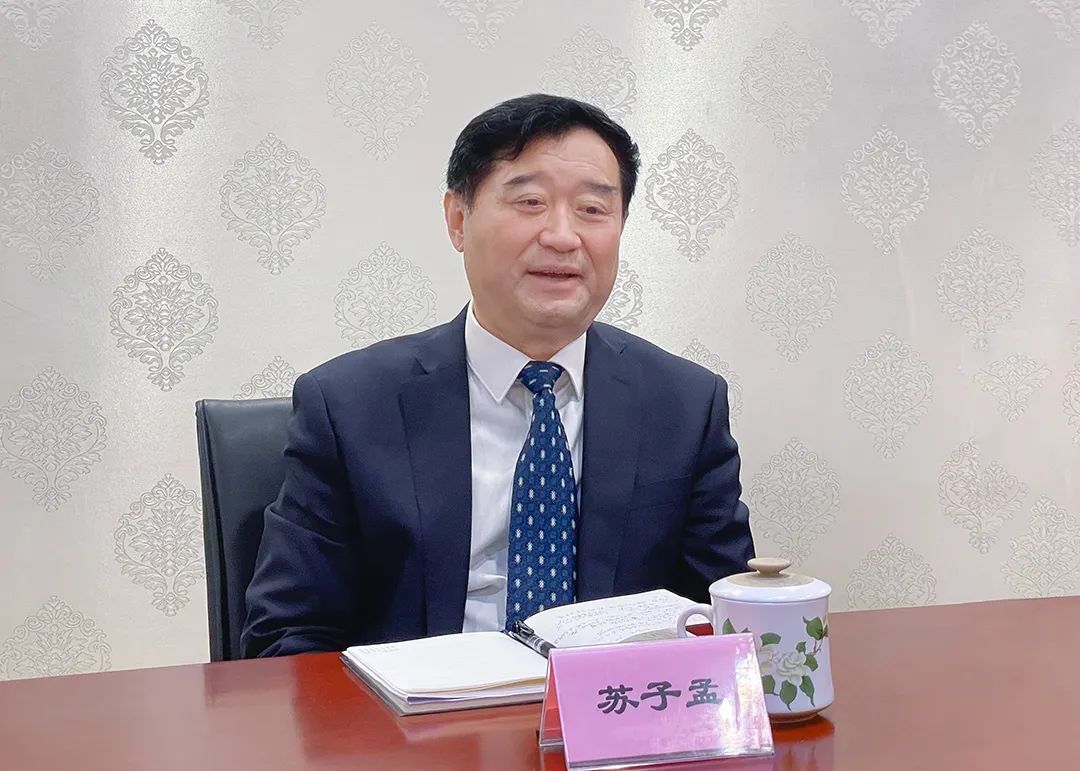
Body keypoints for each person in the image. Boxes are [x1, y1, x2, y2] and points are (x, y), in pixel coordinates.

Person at [242, 94, 754, 657]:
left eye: (593, 209)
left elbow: (726, 627)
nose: (563, 236)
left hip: (612, 706)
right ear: (458, 220)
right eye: (530, 202)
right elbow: (286, 640)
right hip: (417, 707)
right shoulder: (348, 406)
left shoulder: (684, 404)